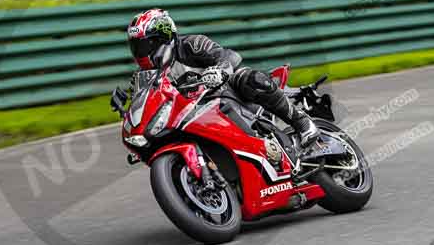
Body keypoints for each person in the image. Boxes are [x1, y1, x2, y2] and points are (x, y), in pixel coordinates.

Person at [126, 8, 320, 147]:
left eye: (145, 45)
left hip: (225, 94)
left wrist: (219, 71)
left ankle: (301, 122)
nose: (141, 52)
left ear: (163, 38)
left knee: (248, 78)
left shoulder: (191, 44)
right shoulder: (144, 76)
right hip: (191, 115)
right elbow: (147, 102)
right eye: (137, 47)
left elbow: (229, 57)